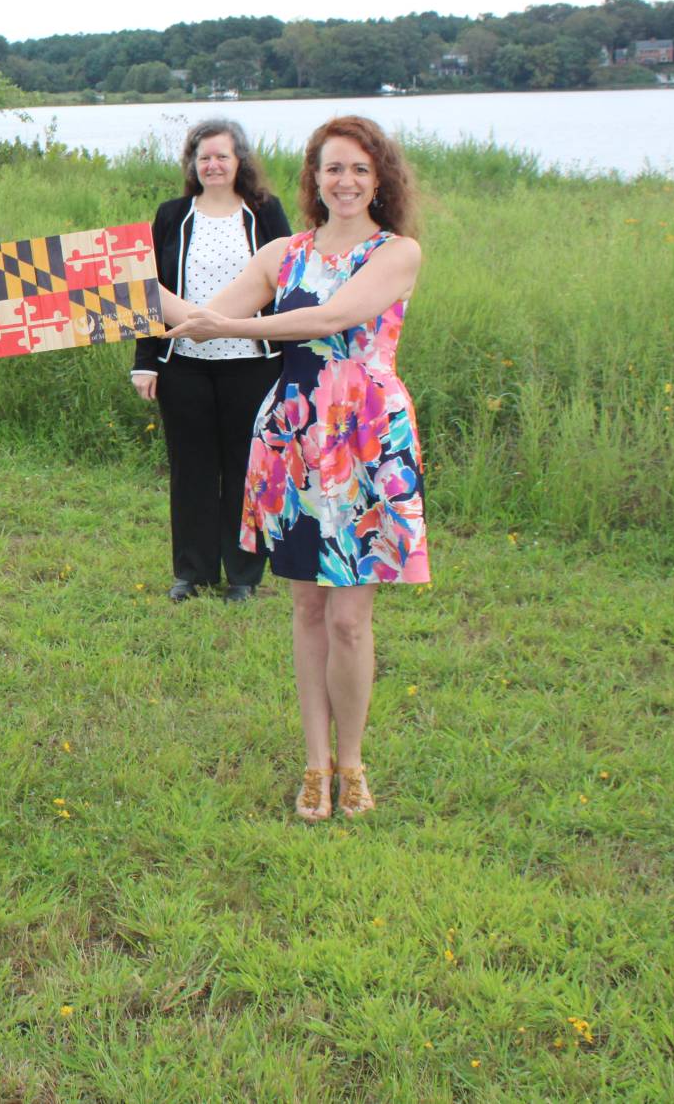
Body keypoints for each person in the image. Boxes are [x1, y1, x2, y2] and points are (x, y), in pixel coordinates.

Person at [163, 116, 427, 822]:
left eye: (359, 170)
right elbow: (200, 318)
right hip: (297, 438)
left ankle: (352, 762)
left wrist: (234, 330)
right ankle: (315, 764)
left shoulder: (396, 252)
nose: (344, 182)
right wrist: (111, 287)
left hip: (367, 441)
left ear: (381, 180)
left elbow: (330, 319)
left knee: (349, 617)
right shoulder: (284, 252)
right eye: (331, 168)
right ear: (313, 177)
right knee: (308, 606)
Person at [132, 119, 292, 602]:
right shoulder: (172, 214)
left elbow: (287, 283)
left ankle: (243, 575)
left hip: (254, 362)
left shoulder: (265, 212)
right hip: (183, 365)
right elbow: (145, 290)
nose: (213, 165)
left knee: (247, 469)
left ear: (239, 160)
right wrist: (147, 361)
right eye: (204, 157)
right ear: (193, 165)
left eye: (222, 156)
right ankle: (192, 572)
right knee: (191, 469)